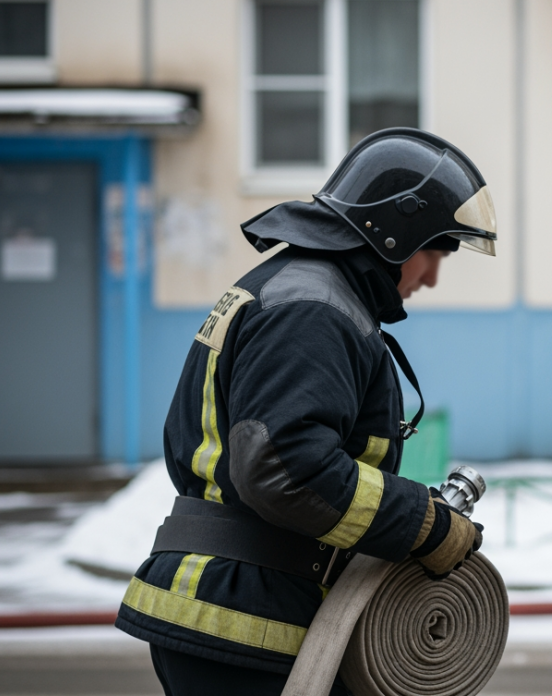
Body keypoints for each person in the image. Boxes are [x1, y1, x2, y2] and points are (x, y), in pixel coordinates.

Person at [115, 128, 497, 695]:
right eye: (435, 252)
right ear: (396, 233)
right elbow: (283, 467)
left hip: (241, 607)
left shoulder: (297, 288)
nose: (434, 277)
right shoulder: (314, 308)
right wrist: (422, 523)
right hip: (243, 621)